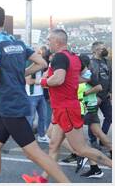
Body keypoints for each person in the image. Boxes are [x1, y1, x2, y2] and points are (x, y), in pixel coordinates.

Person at [0, 5, 69, 183]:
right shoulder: (16, 42)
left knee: (33, 153)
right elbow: (42, 63)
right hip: (10, 104)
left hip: (8, 104)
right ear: (3, 21)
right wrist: (20, 74)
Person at [24, 29, 112, 182]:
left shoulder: (59, 57)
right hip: (62, 108)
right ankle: (42, 179)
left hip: (66, 108)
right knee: (53, 143)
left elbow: (57, 80)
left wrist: (39, 81)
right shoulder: (74, 57)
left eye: (49, 40)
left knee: (81, 149)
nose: (48, 43)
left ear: (57, 42)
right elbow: (87, 76)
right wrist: (70, 81)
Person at [87, 41, 112, 149]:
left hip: (105, 95)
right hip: (94, 96)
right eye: (101, 48)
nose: (104, 50)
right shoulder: (90, 63)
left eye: (104, 48)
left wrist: (110, 91)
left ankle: (102, 138)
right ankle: (93, 141)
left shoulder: (107, 62)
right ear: (95, 50)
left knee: (109, 116)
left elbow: (111, 77)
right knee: (92, 119)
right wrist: (95, 94)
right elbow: (87, 80)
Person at [25, 47, 50, 143]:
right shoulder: (29, 64)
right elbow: (28, 81)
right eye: (38, 54)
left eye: (41, 54)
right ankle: (27, 138)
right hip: (31, 96)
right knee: (30, 118)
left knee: (42, 117)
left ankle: (41, 136)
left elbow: (42, 77)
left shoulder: (41, 65)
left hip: (41, 95)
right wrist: (42, 81)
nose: (40, 56)